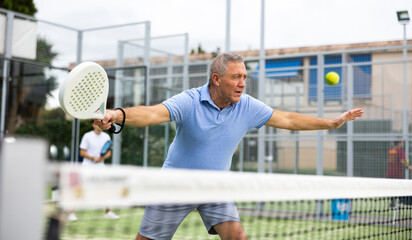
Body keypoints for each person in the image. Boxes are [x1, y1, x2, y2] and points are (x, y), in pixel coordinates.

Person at [96, 53, 364, 240]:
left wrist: (331, 123)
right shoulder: (189, 101)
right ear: (216, 79)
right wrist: (117, 114)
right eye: (236, 77)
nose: (242, 83)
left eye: (244, 77)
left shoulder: (247, 105)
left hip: (215, 187)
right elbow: (153, 113)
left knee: (237, 236)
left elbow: (288, 118)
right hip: (175, 184)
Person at [68, 120, 119, 221]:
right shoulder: (87, 136)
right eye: (97, 123)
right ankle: (71, 213)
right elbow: (82, 152)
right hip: (87, 166)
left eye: (101, 123)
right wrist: (93, 158)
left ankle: (108, 212)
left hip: (100, 166)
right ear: (93, 125)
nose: (99, 125)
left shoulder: (106, 137)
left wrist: (101, 158)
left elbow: (109, 153)